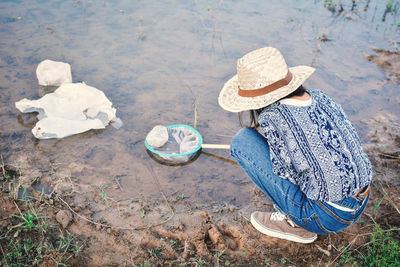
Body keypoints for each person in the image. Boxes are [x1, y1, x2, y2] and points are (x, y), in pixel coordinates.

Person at [218, 47, 372, 244]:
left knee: (242, 141)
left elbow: (287, 174)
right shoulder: (321, 97)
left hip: (326, 217)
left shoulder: (273, 117)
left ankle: (295, 223)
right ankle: (309, 214)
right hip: (360, 201)